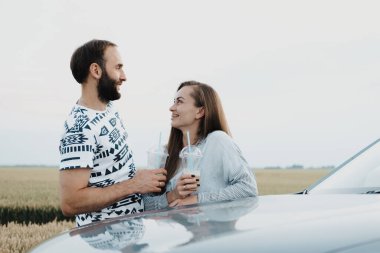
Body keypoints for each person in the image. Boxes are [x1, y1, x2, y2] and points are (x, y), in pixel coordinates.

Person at [59, 39, 167, 226]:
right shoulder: (80, 128)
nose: (124, 76)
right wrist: (135, 184)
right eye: (118, 67)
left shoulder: (109, 109)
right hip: (104, 243)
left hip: (129, 238)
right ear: (96, 70)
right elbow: (70, 203)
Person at [143, 81, 257, 209]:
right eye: (174, 101)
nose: (171, 107)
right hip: (175, 228)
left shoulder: (217, 141)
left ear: (200, 111)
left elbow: (248, 188)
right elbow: (144, 205)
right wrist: (173, 195)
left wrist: (197, 199)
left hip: (213, 227)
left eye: (179, 101)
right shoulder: (164, 153)